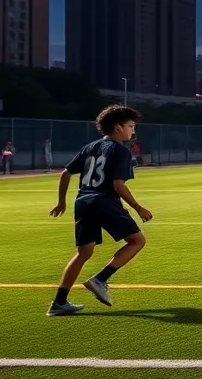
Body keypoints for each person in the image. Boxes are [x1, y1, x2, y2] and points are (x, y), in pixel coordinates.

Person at [46, 105, 152, 316]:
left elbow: (65, 173)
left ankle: (59, 302)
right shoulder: (120, 150)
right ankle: (100, 279)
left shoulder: (90, 147)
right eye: (131, 126)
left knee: (84, 253)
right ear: (118, 127)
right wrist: (139, 208)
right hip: (104, 201)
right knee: (137, 241)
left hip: (83, 201)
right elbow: (118, 185)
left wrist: (61, 202)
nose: (133, 131)